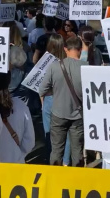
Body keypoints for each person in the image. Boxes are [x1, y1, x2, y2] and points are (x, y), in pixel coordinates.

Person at [39, 37, 88, 166]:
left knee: (56, 150)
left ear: (65, 49)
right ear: (80, 49)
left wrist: (56, 91)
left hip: (58, 114)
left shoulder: (54, 66)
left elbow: (42, 90)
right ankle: (76, 179)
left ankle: (56, 179)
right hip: (78, 115)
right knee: (77, 150)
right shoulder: (87, 67)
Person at [0, 71, 35, 163]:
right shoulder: (21, 106)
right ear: (9, 81)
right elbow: (30, 141)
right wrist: (18, 155)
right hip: (16, 165)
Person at [41, 33, 70, 165]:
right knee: (65, 132)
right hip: (65, 99)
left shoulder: (45, 63)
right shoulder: (68, 62)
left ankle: (52, 161)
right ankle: (65, 162)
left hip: (49, 99)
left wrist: (42, 102)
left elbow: (40, 86)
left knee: (49, 133)